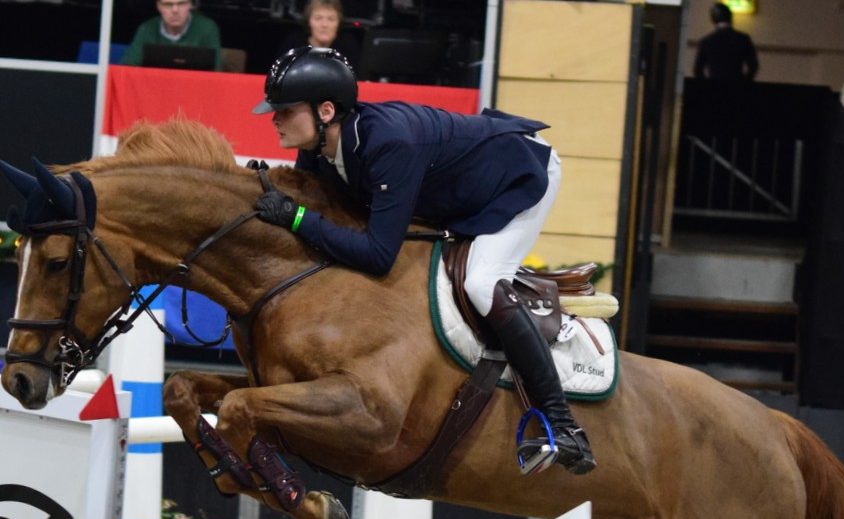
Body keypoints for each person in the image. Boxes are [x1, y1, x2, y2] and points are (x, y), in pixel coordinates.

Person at [249, 47, 596, 475]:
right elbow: (308, 206)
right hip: (463, 185)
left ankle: (563, 425)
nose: (274, 118)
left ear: (325, 110)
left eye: (285, 109)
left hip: (518, 175)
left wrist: (296, 217)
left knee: (480, 283)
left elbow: (377, 256)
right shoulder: (320, 147)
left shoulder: (388, 144)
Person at [121, 0, 222, 71]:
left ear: (191, 4)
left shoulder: (207, 28)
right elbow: (126, 69)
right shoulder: (146, 29)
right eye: (168, 4)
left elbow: (216, 72)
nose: (175, 10)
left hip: (195, 93)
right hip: (155, 92)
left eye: (181, 3)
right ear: (158, 6)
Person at [276, 0, 361, 71]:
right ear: (309, 21)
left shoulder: (348, 46)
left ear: (338, 23)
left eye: (331, 19)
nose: (324, 24)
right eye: (318, 18)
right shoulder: (294, 43)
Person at [693, 3, 758, 81]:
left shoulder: (706, 42)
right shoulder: (743, 39)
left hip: (715, 88)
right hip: (737, 88)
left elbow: (697, 70)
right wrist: (744, 83)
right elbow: (753, 66)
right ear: (730, 17)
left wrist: (708, 87)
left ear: (713, 19)